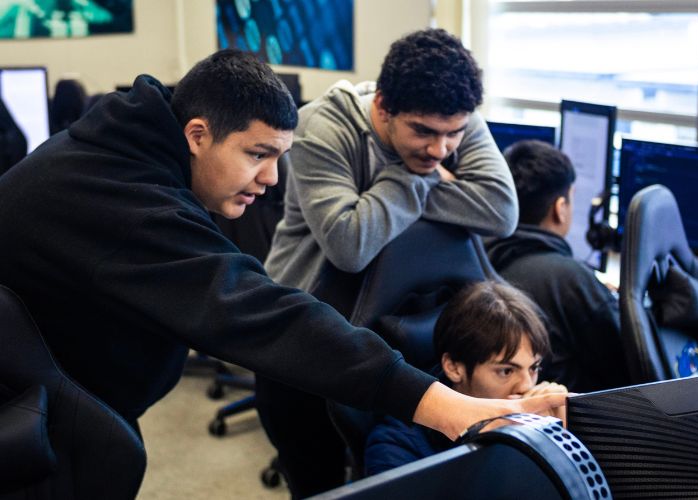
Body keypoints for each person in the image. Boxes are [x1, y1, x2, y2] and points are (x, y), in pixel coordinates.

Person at [0, 49, 565, 495]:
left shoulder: (130, 147)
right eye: (257, 154)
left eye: (279, 157)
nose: (272, 179)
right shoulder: (122, 199)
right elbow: (258, 311)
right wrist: (450, 407)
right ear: (197, 134)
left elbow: (499, 208)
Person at [261, 29, 519, 496]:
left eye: (453, 135)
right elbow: (349, 243)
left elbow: (501, 211)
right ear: (382, 106)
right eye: (423, 131)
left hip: (392, 332)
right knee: (319, 484)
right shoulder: (324, 127)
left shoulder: (457, 118)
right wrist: (414, 178)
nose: (440, 150)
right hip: (299, 332)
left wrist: (382, 193)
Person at [364, 280, 566, 475]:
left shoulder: (542, 418)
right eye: (506, 371)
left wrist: (561, 443)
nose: (526, 385)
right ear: (453, 368)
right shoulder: (397, 444)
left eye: (533, 368)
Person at [485, 140, 630, 393]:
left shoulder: (480, 255)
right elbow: (632, 365)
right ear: (560, 208)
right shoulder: (570, 279)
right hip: (572, 419)